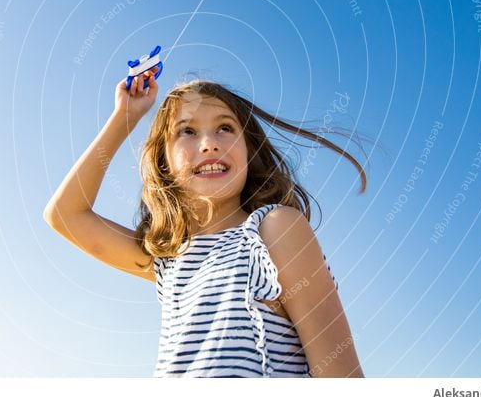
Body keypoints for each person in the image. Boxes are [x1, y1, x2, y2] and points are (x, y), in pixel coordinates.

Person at [43, 68, 366, 377]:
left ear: (248, 148)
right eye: (187, 131)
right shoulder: (169, 261)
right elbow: (65, 216)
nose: (210, 143)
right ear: (164, 162)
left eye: (225, 127)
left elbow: (340, 375)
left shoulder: (273, 230)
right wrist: (124, 118)